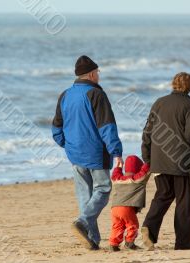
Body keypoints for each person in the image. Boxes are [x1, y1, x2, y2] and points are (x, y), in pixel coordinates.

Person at [52, 55, 123, 250]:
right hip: (95, 152)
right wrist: (116, 152)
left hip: (75, 153)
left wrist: (66, 144)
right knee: (103, 189)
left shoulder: (65, 95)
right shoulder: (96, 94)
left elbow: (56, 127)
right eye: (97, 72)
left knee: (85, 194)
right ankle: (83, 222)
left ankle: (92, 239)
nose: (98, 76)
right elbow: (107, 126)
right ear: (91, 74)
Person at [141, 72, 190, 250]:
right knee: (183, 201)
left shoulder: (159, 102)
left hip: (159, 160)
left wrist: (147, 158)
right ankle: (183, 242)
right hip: (181, 161)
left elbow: (147, 132)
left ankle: (149, 228)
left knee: (163, 195)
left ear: (173, 84)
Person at [108, 155, 150, 251]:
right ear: (138, 168)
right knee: (133, 225)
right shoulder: (137, 179)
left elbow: (115, 173)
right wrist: (149, 160)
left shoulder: (117, 179)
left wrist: (119, 165)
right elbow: (145, 171)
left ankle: (113, 244)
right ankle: (129, 243)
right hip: (126, 208)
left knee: (117, 226)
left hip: (114, 208)